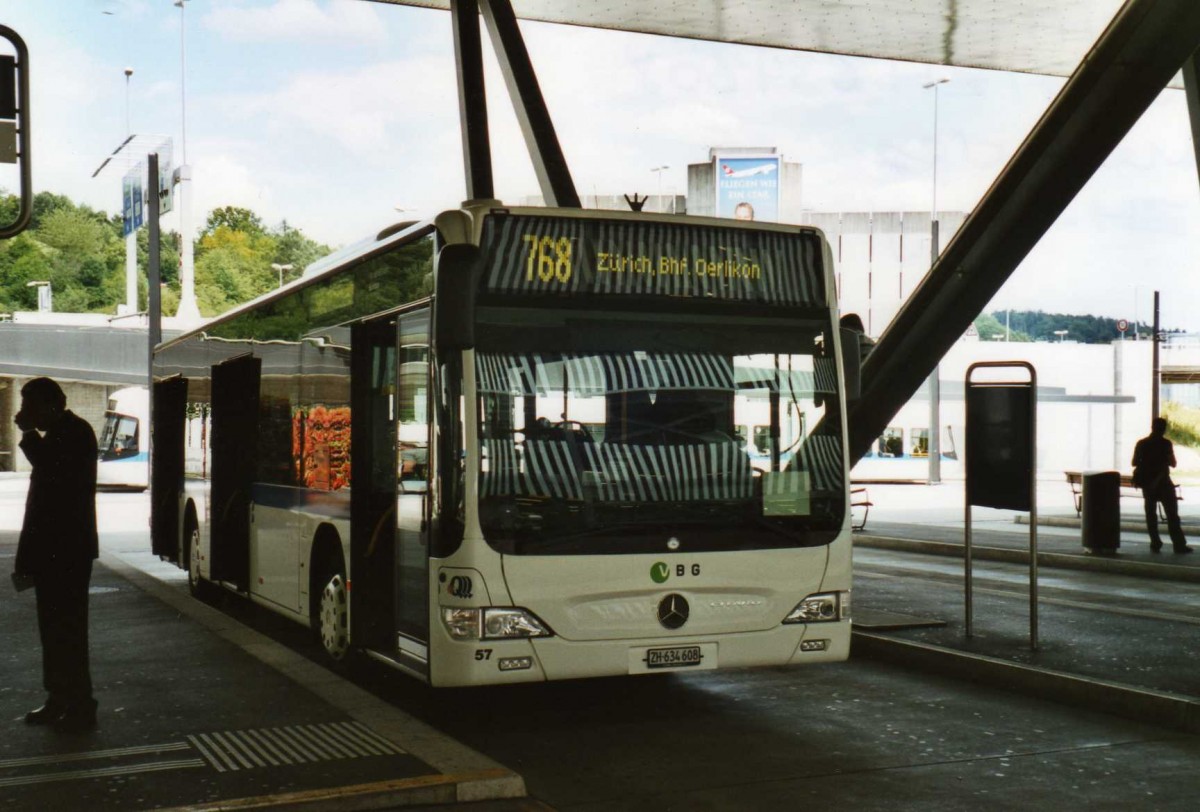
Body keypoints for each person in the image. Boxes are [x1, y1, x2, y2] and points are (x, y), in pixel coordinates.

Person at [13, 377, 100, 730]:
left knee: (67, 630)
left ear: (51, 404)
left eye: (31, 406)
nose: (26, 414)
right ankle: (59, 698)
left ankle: (79, 704)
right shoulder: (64, 433)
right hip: (55, 551)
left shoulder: (75, 433)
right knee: (52, 629)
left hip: (68, 551)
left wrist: (29, 436)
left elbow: (52, 472)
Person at [1131, 417, 1192, 554]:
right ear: (1163, 429)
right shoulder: (1166, 444)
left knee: (1151, 515)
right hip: (1163, 483)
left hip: (1147, 484)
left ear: (1152, 427)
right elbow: (1173, 463)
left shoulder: (1141, 443)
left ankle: (1155, 542)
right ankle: (1179, 544)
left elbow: (1134, 462)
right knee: (1172, 515)